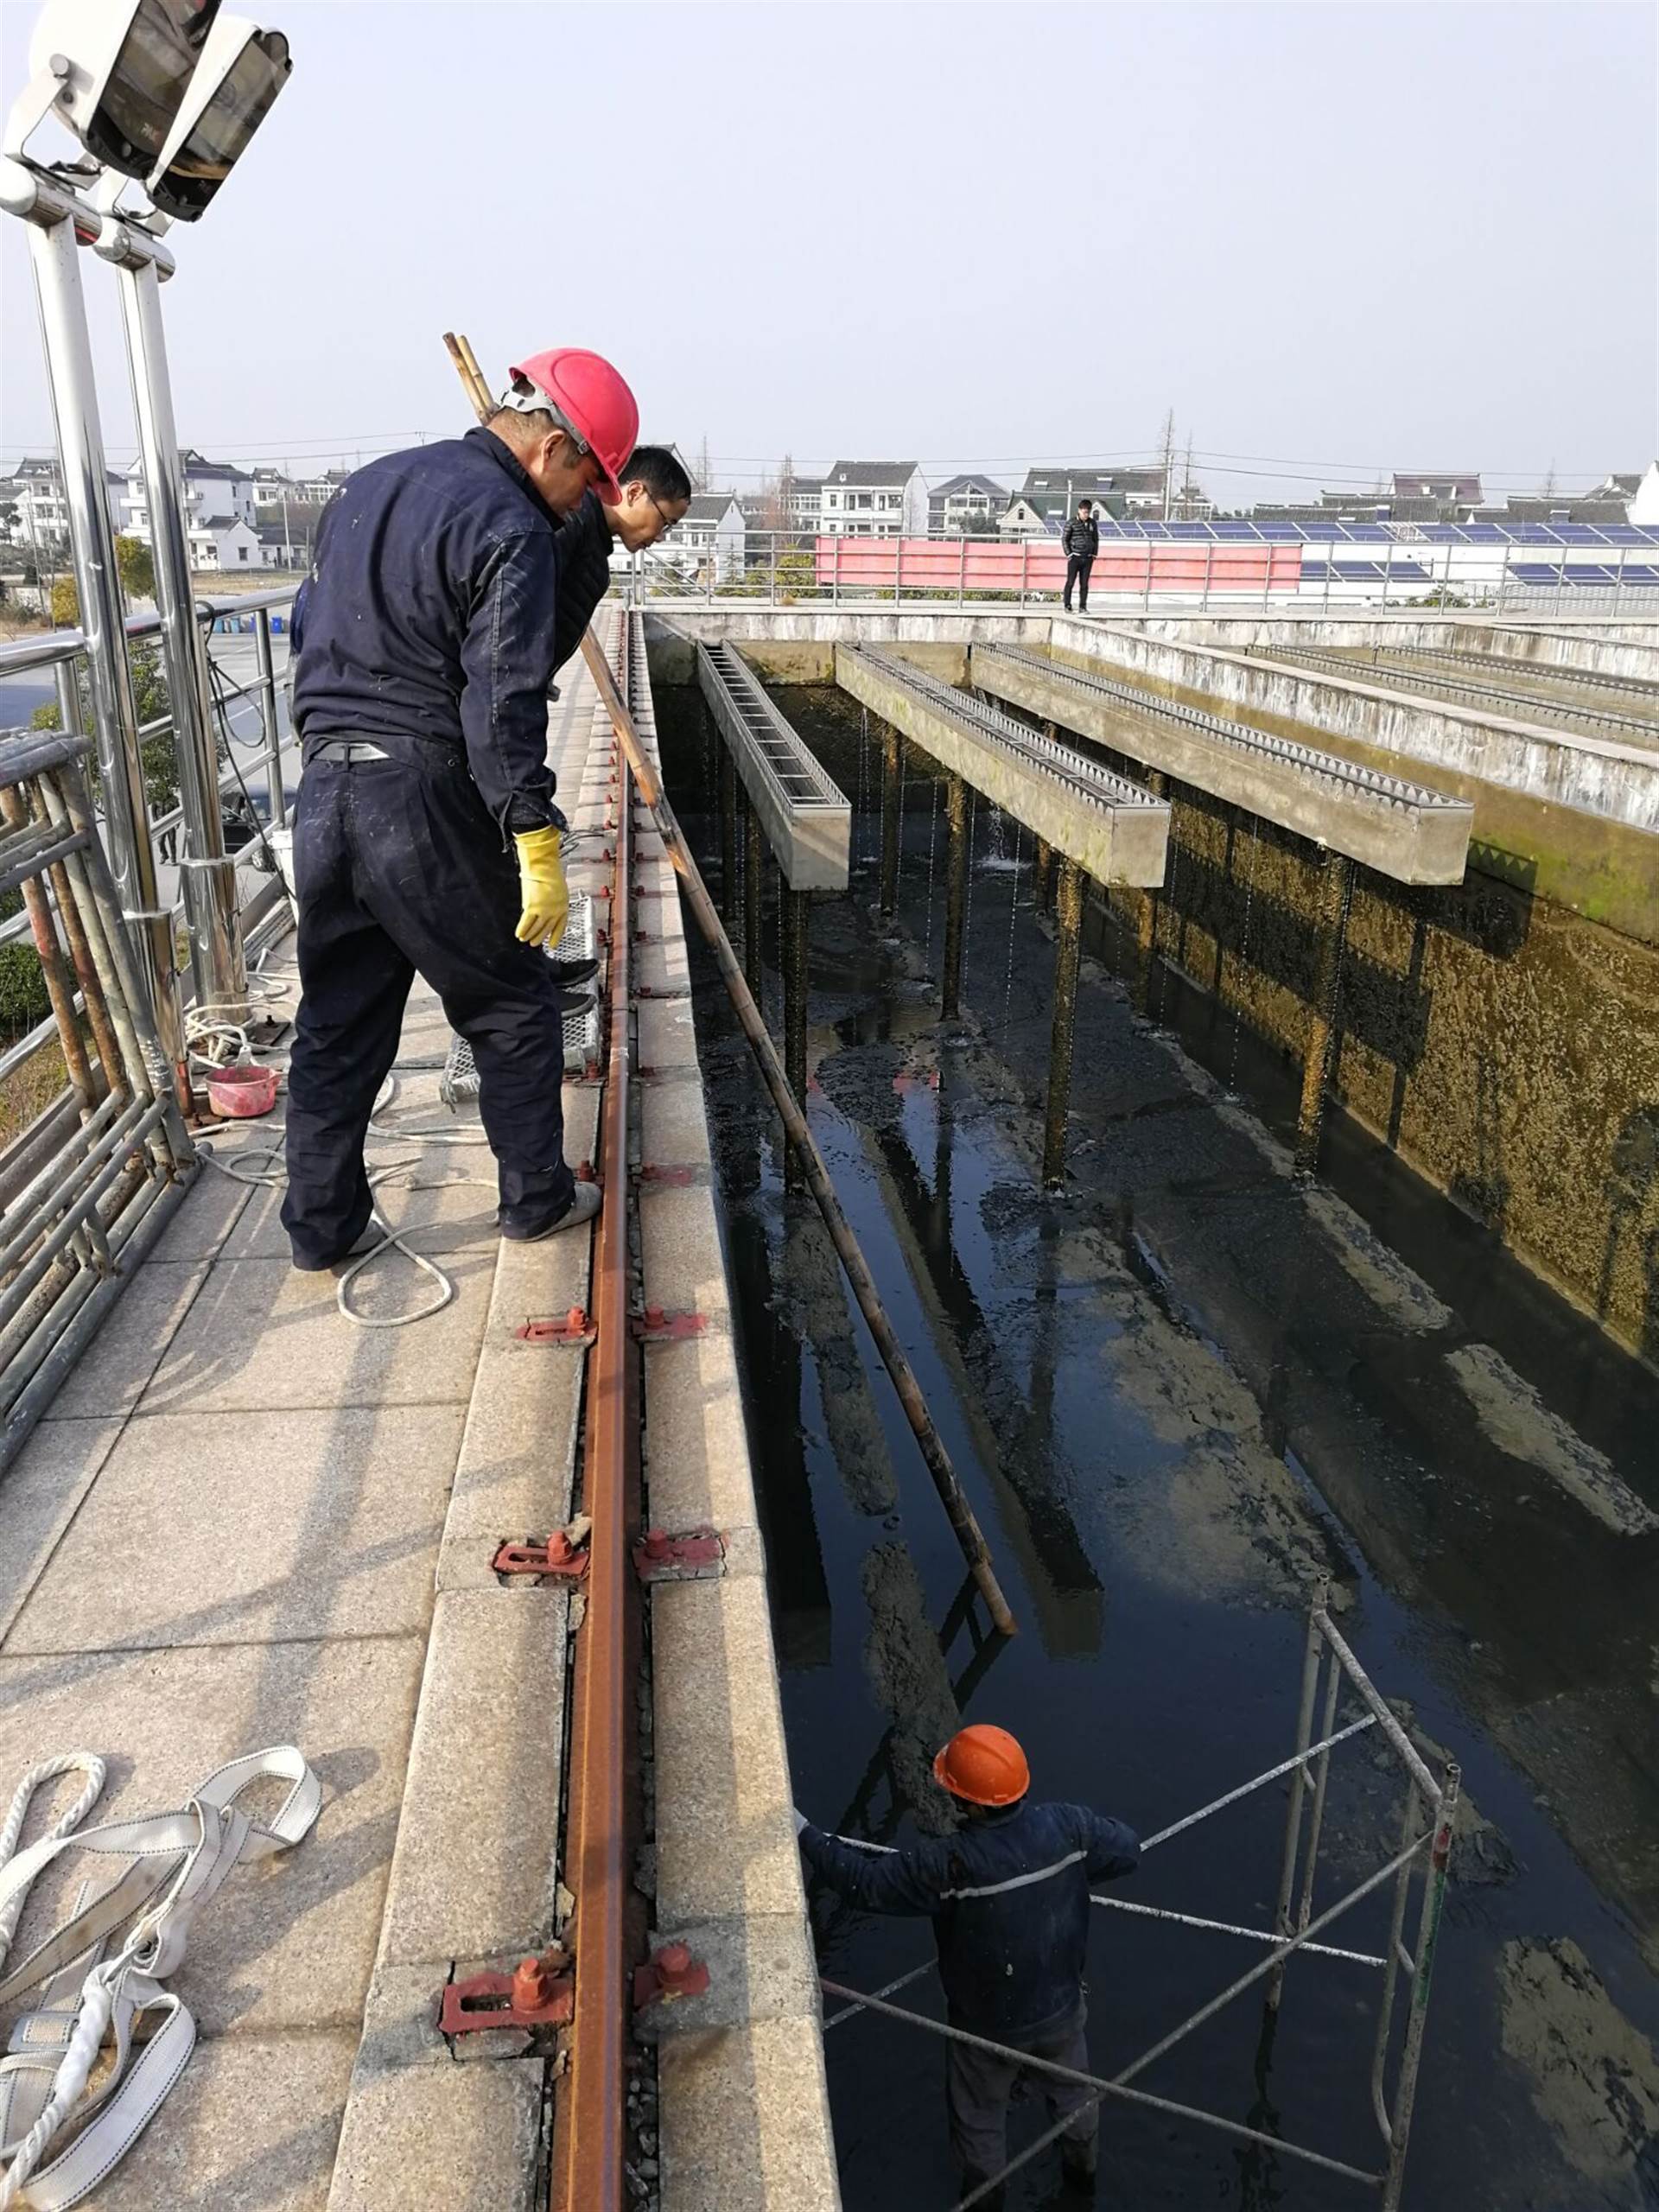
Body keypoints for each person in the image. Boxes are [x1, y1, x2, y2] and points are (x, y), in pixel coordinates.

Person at [282, 347, 638, 1268]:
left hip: (322, 788)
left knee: (338, 1019)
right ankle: (535, 1198)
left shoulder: (365, 485)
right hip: (420, 793)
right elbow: (501, 696)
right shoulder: (512, 524)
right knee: (510, 1003)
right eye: (584, 482)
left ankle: (320, 1229)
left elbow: (304, 628)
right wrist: (532, 830)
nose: (579, 505)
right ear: (553, 446)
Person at [797, 1725, 1138, 2205]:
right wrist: (1065, 1873)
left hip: (985, 2032)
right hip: (1061, 2014)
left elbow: (863, 1884)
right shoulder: (1069, 1827)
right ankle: (1082, 2179)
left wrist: (805, 1834)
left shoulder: (948, 1864)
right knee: (1074, 2097)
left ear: (972, 1804)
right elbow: (1128, 1851)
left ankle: (987, 2197)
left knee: (979, 2119)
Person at [550, 444, 693, 681]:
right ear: (635, 493)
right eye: (665, 522)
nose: (660, 536)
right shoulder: (568, 524)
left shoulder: (591, 540)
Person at [1062, 499, 1100, 613]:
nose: (1086, 515)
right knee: (1070, 582)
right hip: (1075, 557)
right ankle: (1067, 605)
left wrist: (1094, 553)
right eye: (1084, 512)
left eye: (1088, 512)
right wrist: (1069, 554)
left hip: (1088, 557)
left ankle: (1082, 607)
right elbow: (1064, 539)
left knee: (1084, 584)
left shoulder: (1092, 523)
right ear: (1079, 510)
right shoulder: (1071, 523)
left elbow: (1096, 539)